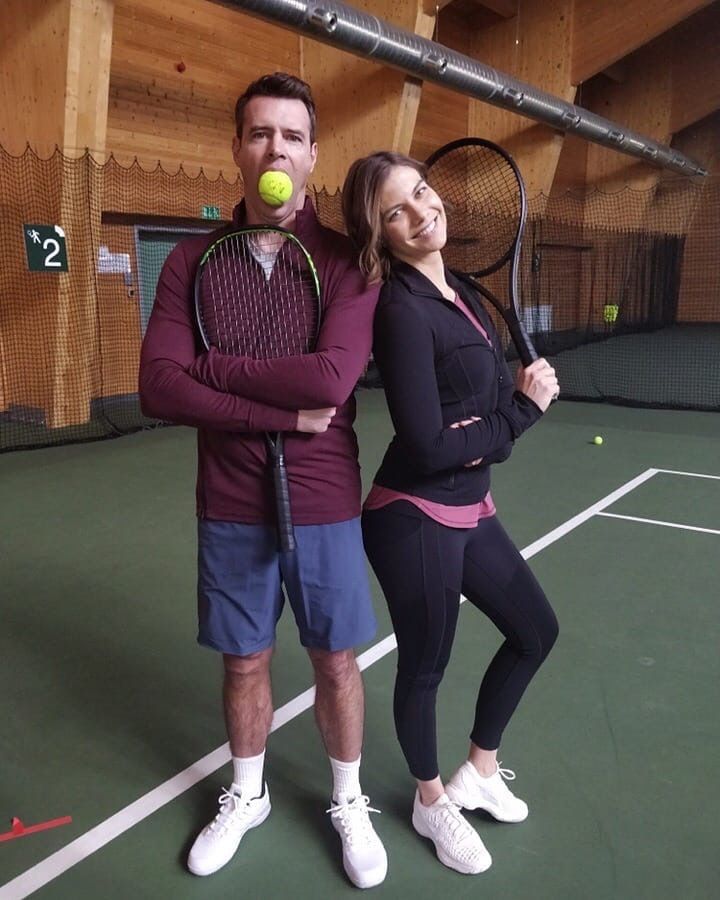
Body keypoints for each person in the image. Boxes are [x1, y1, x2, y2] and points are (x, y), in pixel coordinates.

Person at [139, 73, 387, 890]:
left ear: (313, 154)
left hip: (322, 499)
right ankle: (247, 793)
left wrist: (219, 372)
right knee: (244, 662)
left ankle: (349, 800)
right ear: (237, 148)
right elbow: (160, 386)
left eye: (290, 136)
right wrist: (271, 415)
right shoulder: (189, 261)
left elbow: (332, 380)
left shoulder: (348, 259)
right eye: (258, 133)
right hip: (230, 497)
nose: (274, 149)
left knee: (335, 660)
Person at [342, 151, 559, 876]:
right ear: (381, 232)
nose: (421, 210)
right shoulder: (402, 312)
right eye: (397, 209)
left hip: (469, 507)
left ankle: (479, 772)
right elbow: (430, 443)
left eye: (423, 192)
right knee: (427, 665)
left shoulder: (460, 288)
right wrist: (524, 411)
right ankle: (431, 801)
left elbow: (479, 407)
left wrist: (514, 397)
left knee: (535, 632)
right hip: (414, 515)